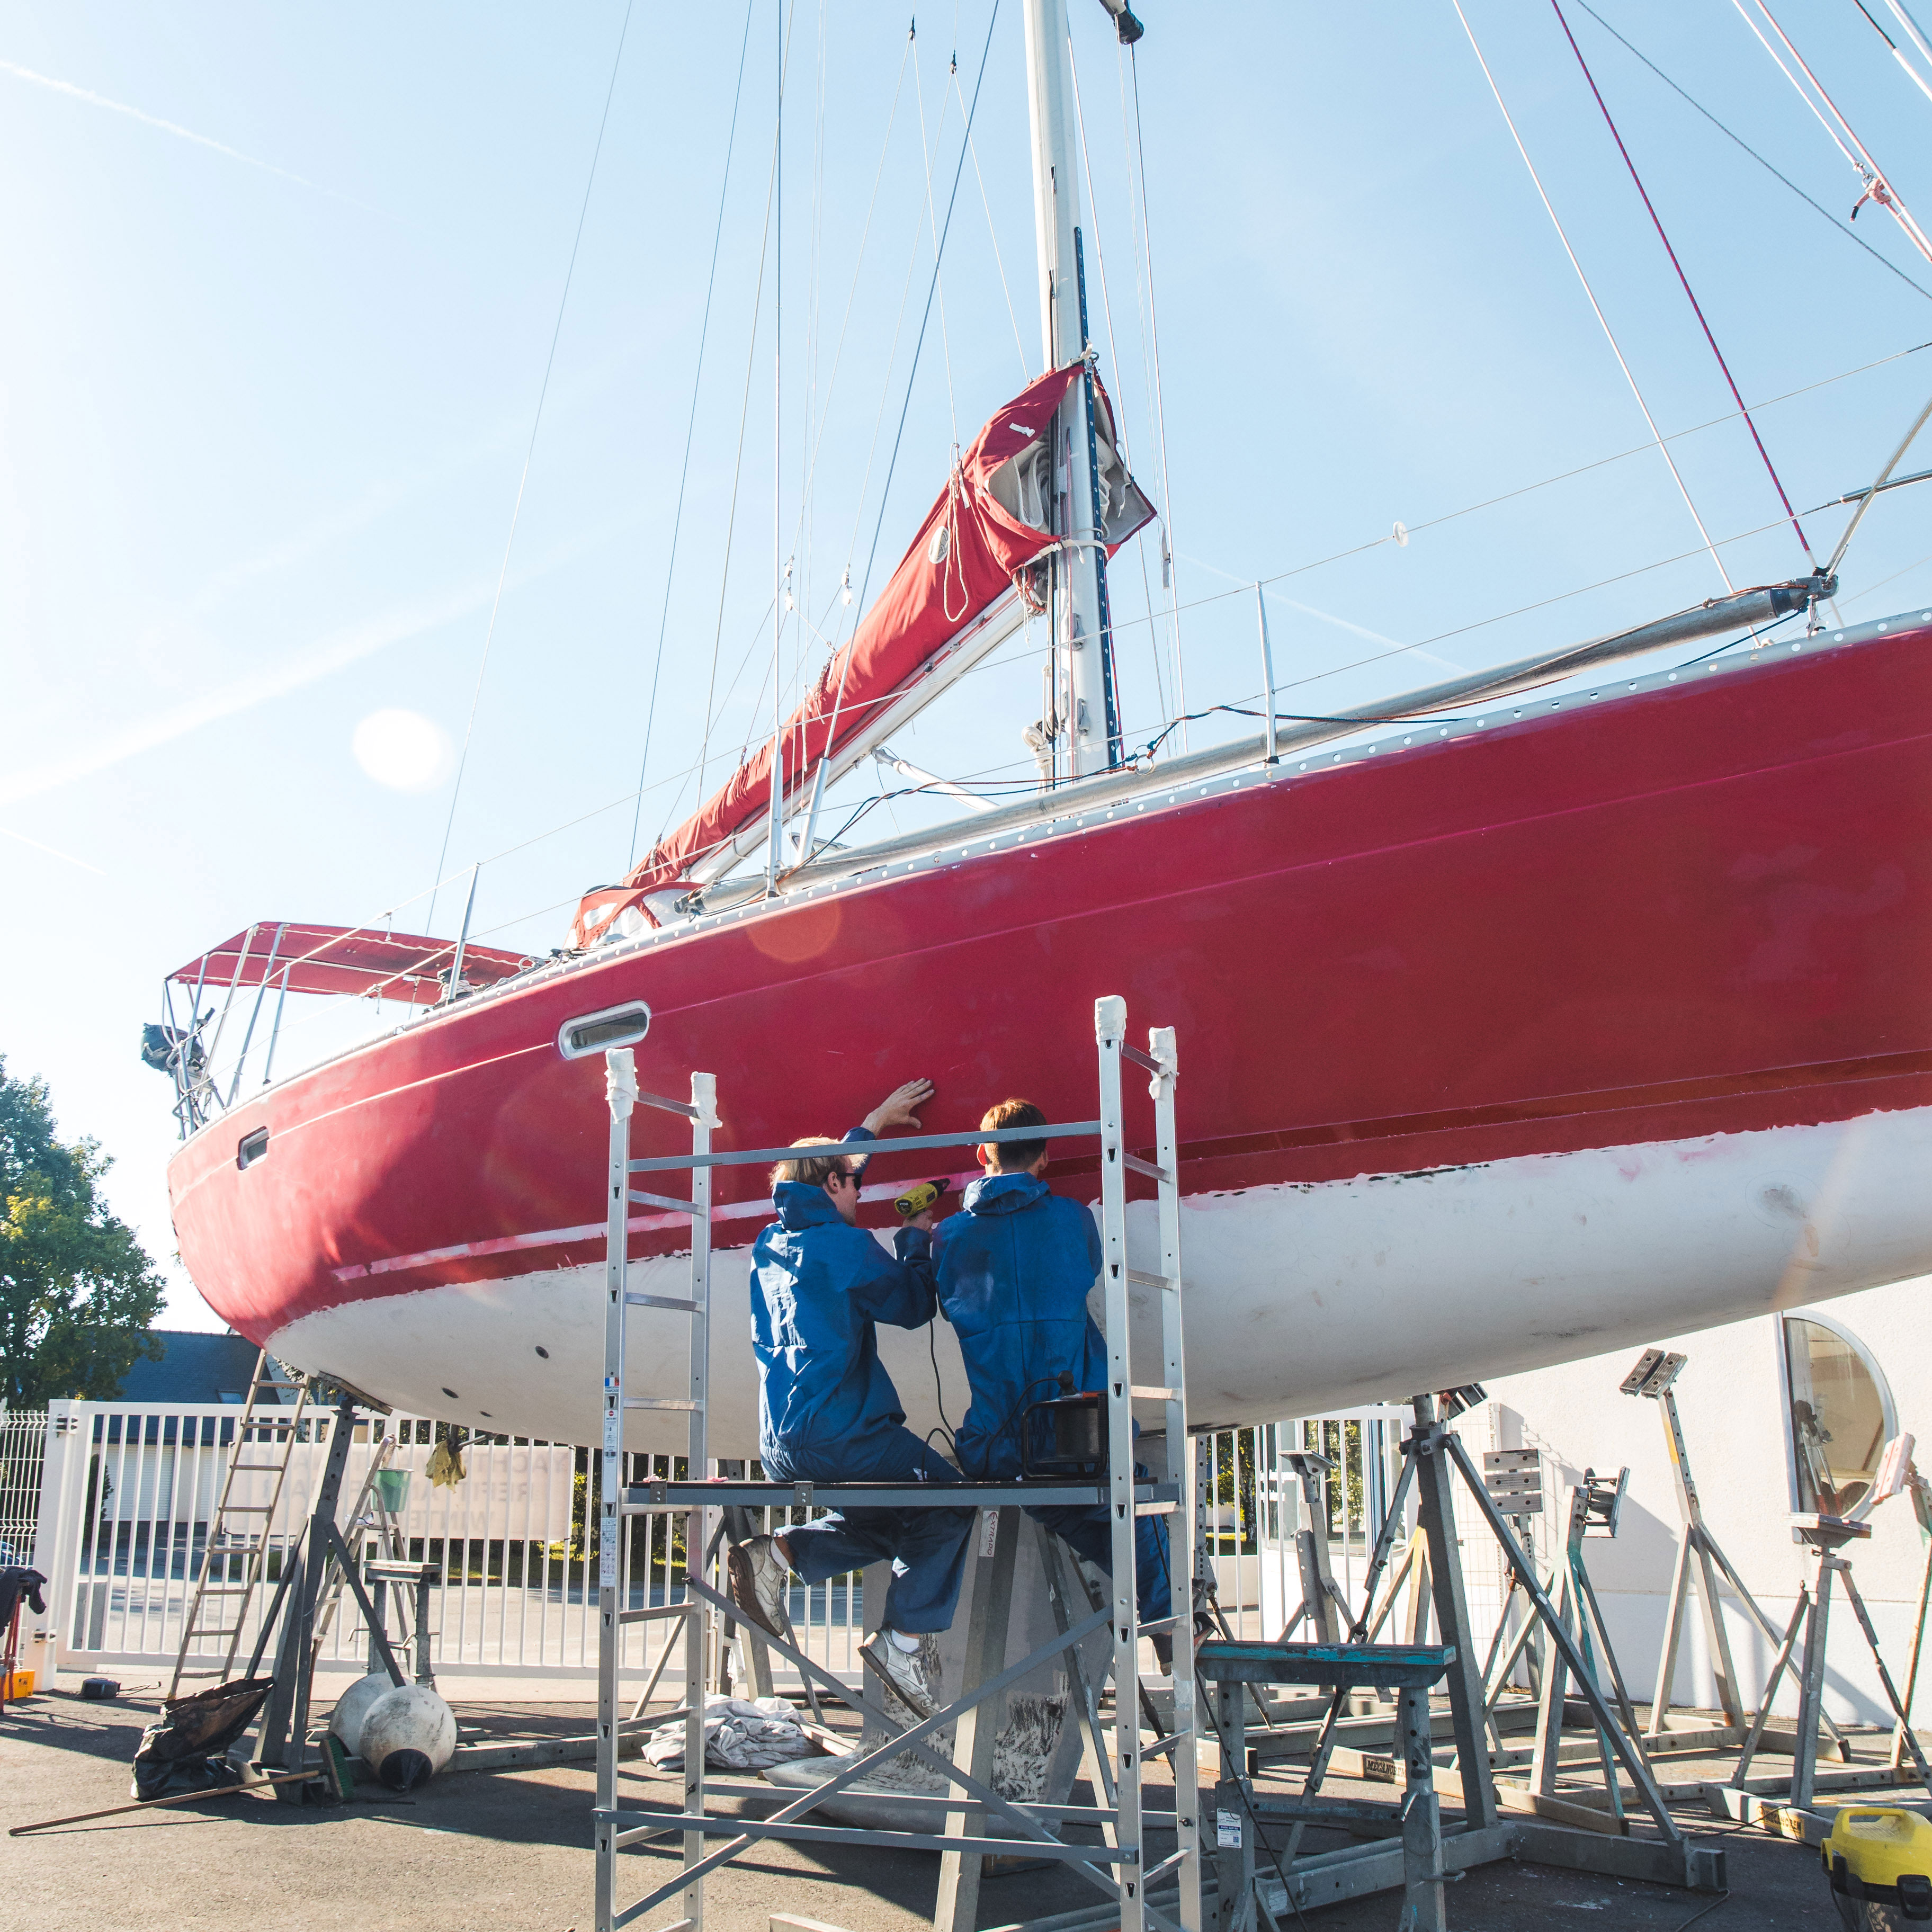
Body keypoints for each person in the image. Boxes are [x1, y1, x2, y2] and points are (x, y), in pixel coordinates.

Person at [727, 1078, 973, 1719]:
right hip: (847, 1435)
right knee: (949, 1507)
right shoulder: (846, 1247)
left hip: (782, 1442)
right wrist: (916, 1239)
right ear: (833, 1185)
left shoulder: (770, 1244)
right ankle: (903, 1641)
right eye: (854, 1183)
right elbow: (915, 1307)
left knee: (886, 1522)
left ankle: (781, 1554)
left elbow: (821, 1183)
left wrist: (869, 1126)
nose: (862, 1193)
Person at [933, 1098, 1173, 1634]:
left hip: (995, 1447)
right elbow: (1083, 1271)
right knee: (1126, 1502)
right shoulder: (1072, 1219)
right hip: (1073, 1443)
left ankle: (1163, 1614)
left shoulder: (947, 1237)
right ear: (1044, 1157)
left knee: (1067, 1505)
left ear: (981, 1154)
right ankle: (1170, 1623)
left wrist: (914, 1235)